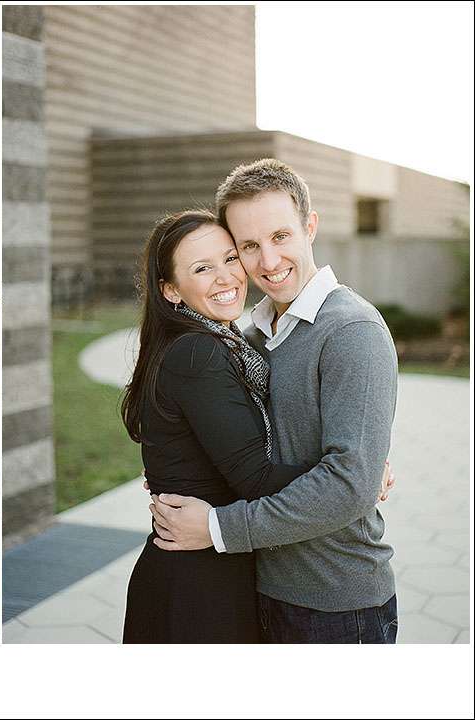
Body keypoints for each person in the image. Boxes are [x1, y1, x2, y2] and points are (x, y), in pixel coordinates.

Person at [149, 159, 399, 644]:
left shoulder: (352, 331)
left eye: (280, 236)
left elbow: (349, 484)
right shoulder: (251, 339)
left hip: (335, 604)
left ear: (310, 227)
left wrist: (219, 528)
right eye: (248, 245)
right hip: (258, 589)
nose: (267, 261)